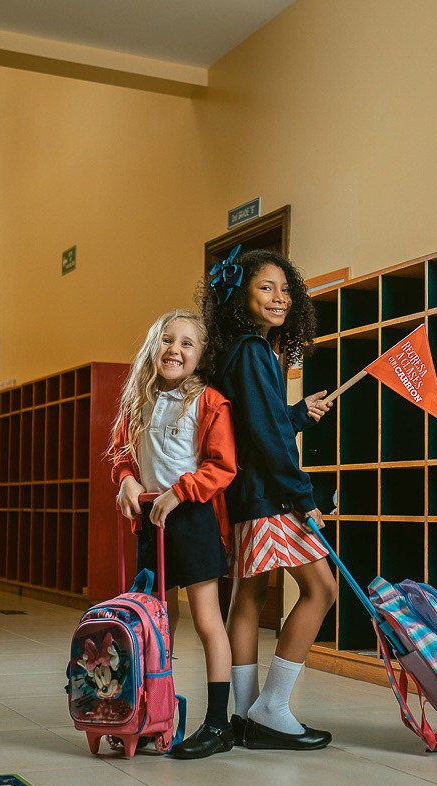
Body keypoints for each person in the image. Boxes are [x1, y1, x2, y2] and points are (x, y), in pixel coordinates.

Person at [200, 246, 338, 750]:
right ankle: (272, 708)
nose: (280, 298)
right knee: (323, 589)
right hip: (269, 497)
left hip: (245, 495)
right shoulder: (255, 352)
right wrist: (303, 496)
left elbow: (259, 424)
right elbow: (269, 438)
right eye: (266, 288)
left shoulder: (238, 350)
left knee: (249, 596)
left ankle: (245, 716)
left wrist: (298, 413)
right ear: (241, 296)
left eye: (285, 289)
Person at [106, 309, 238, 759]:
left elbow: (221, 467)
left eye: (187, 343)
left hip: (193, 518)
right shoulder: (136, 401)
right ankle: (151, 711)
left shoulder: (210, 401)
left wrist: (179, 494)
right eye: (167, 340)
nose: (174, 350)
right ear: (153, 346)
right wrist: (126, 482)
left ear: (200, 356)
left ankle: (218, 722)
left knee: (206, 620)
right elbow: (123, 457)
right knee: (156, 624)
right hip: (151, 520)